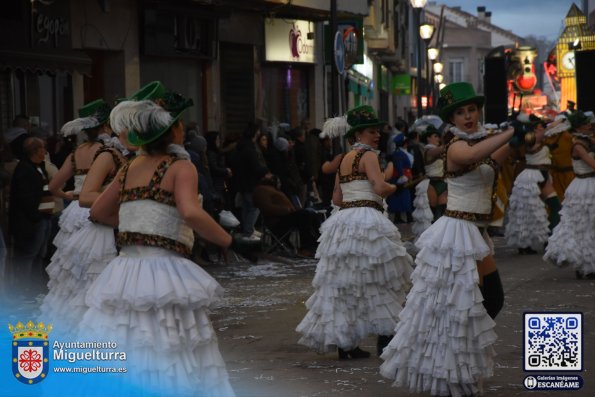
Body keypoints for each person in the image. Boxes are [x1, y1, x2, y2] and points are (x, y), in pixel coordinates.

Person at [81, 98, 235, 396]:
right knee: (171, 344)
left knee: (127, 338)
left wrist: (136, 228)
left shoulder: (129, 166)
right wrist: (226, 238)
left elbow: (98, 211)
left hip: (125, 271)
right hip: (165, 269)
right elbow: (190, 211)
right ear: (174, 130)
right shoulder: (180, 166)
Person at [380, 82, 518, 396]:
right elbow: (474, 153)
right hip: (457, 233)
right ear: (451, 118)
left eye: (471, 109)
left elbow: (493, 160)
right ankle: (446, 366)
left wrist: (519, 139)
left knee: (481, 303)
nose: (468, 116)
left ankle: (454, 362)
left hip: (475, 233)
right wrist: (509, 133)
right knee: (470, 305)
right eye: (460, 111)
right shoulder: (456, 144)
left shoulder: (476, 142)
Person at [296, 105, 413, 360]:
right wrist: (397, 186)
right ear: (359, 134)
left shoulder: (344, 160)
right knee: (378, 280)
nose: (377, 135)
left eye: (378, 131)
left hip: (344, 222)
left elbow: (337, 197)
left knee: (347, 283)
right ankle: (385, 339)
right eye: (372, 131)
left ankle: (346, 345)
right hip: (367, 220)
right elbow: (379, 187)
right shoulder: (369, 156)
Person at [48, 100, 111, 250]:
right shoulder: (107, 151)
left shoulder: (76, 152)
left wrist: (70, 196)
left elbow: (53, 187)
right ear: (104, 126)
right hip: (97, 207)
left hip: (75, 210)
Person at [544, 110, 595, 279]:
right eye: (587, 122)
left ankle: (589, 264)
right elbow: (592, 164)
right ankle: (583, 266)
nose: (590, 125)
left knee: (589, 228)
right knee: (583, 227)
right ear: (580, 125)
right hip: (584, 187)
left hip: (588, 184)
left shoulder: (588, 140)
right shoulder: (579, 145)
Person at [504, 114, 557, 254]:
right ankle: (524, 244)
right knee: (527, 213)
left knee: (555, 206)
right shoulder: (528, 138)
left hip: (544, 175)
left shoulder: (542, 137)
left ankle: (550, 239)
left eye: (542, 126)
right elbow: (539, 137)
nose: (542, 127)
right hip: (531, 177)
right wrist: (553, 125)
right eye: (539, 126)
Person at [8, 137, 53, 288]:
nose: (45, 152)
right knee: (28, 256)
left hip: (43, 217)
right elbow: (25, 197)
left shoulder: (39, 167)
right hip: (32, 221)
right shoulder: (25, 169)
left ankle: (35, 288)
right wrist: (37, 217)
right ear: (36, 151)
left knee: (39, 255)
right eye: (43, 149)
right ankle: (25, 289)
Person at [252, 175, 320, 257]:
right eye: (278, 182)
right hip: (276, 220)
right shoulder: (261, 190)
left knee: (311, 214)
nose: (280, 184)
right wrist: (287, 210)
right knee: (304, 215)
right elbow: (267, 208)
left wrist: (294, 210)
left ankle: (318, 244)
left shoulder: (273, 190)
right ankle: (306, 248)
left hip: (284, 217)